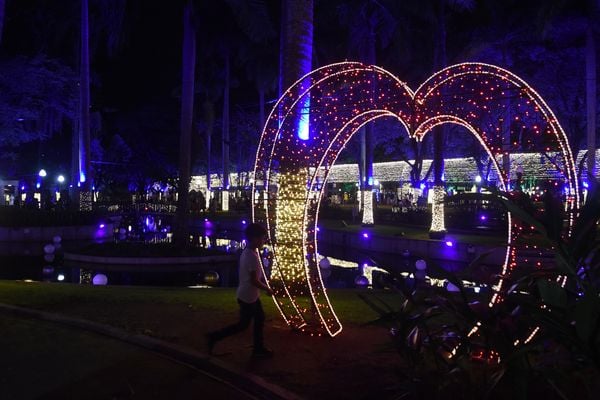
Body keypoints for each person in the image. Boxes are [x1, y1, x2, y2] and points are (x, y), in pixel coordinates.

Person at [207, 223, 274, 357]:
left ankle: (258, 349)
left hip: (251, 295)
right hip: (247, 297)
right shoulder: (251, 256)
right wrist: (267, 289)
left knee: (259, 319)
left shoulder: (250, 252)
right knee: (243, 325)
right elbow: (254, 280)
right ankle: (214, 337)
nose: (264, 241)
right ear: (254, 238)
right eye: (262, 238)